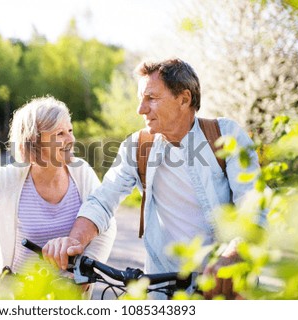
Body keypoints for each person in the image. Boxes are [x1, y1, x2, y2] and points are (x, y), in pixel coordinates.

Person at [43, 59, 265, 299]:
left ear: (184, 99)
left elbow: (253, 202)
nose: (141, 109)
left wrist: (233, 256)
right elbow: (103, 199)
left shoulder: (225, 135)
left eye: (151, 98)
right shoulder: (137, 146)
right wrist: (74, 242)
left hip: (224, 285)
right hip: (161, 289)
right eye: (141, 99)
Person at [0, 96, 117, 294]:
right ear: (34, 142)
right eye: (59, 133)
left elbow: (106, 224)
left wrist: (82, 274)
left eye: (70, 130)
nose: (71, 140)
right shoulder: (7, 179)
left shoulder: (81, 172)